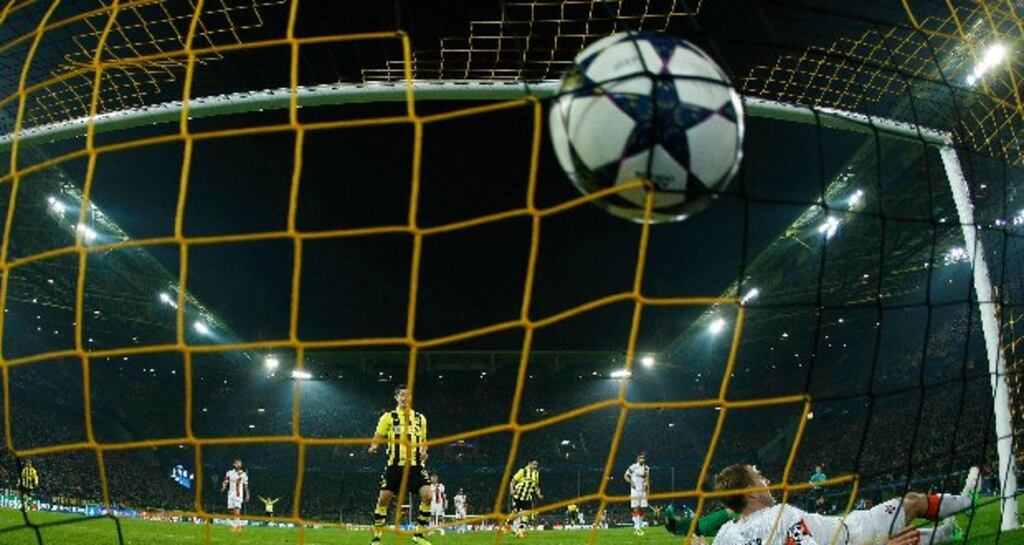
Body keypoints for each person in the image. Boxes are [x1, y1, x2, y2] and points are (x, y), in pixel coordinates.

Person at [710, 464, 976, 545]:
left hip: (847, 530)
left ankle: (949, 531)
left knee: (905, 534)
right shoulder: (781, 516)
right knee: (912, 502)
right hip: (856, 532)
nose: (766, 481)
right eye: (759, 478)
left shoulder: (726, 535)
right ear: (750, 493)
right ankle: (968, 502)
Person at [368, 384, 433, 545]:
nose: (404, 398)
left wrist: (425, 451)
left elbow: (424, 440)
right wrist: (374, 446)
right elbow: (378, 435)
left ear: (411, 398)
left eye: (407, 395)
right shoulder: (388, 417)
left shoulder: (420, 418)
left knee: (428, 496)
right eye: (401, 395)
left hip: (416, 466)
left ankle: (419, 535)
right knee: (383, 499)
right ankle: (377, 536)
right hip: (395, 466)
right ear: (396, 397)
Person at [509, 460, 542, 538]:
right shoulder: (523, 471)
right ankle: (510, 525)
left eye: (536, 465)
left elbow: (536, 486)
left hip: (527, 496)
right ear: (529, 463)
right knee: (516, 511)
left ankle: (521, 531)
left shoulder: (536, 474)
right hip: (518, 495)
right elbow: (513, 481)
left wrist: (539, 494)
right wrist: (512, 490)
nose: (535, 466)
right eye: (534, 464)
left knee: (526, 514)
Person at [624, 451, 651, 535]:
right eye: (640, 457)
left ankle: (637, 524)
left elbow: (647, 479)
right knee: (636, 508)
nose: (642, 459)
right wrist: (631, 482)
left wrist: (648, 490)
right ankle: (637, 528)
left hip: (642, 490)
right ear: (637, 458)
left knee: (642, 508)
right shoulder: (633, 467)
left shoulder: (646, 468)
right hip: (635, 490)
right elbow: (625, 475)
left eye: (643, 458)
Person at [221, 459, 250, 533]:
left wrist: (247, 494)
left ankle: (236, 527)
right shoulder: (229, 473)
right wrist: (223, 487)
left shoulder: (243, 474)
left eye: (240, 463)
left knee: (237, 509)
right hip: (230, 494)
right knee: (231, 510)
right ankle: (240, 524)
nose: (239, 465)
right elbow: (225, 481)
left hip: (238, 494)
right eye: (237, 463)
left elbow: (246, 486)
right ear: (234, 464)